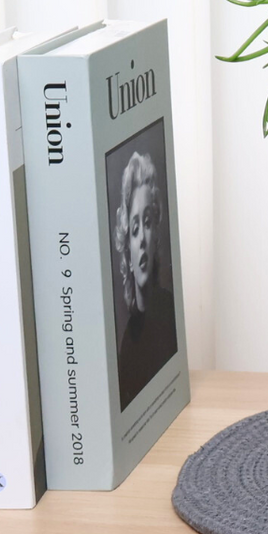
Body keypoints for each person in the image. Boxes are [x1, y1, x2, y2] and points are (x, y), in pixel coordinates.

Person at [113, 150, 177, 410]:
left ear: (156, 236)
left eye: (147, 223)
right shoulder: (128, 346)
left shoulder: (170, 313)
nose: (141, 240)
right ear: (127, 247)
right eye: (135, 228)